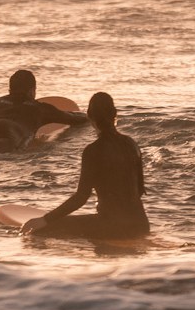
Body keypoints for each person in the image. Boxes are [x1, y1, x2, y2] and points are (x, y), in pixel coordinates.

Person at [24, 92, 149, 237]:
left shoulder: (93, 150)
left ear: (90, 116)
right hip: (141, 224)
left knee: (39, 232)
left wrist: (45, 220)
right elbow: (140, 190)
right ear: (115, 114)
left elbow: (81, 197)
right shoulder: (132, 144)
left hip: (113, 227)